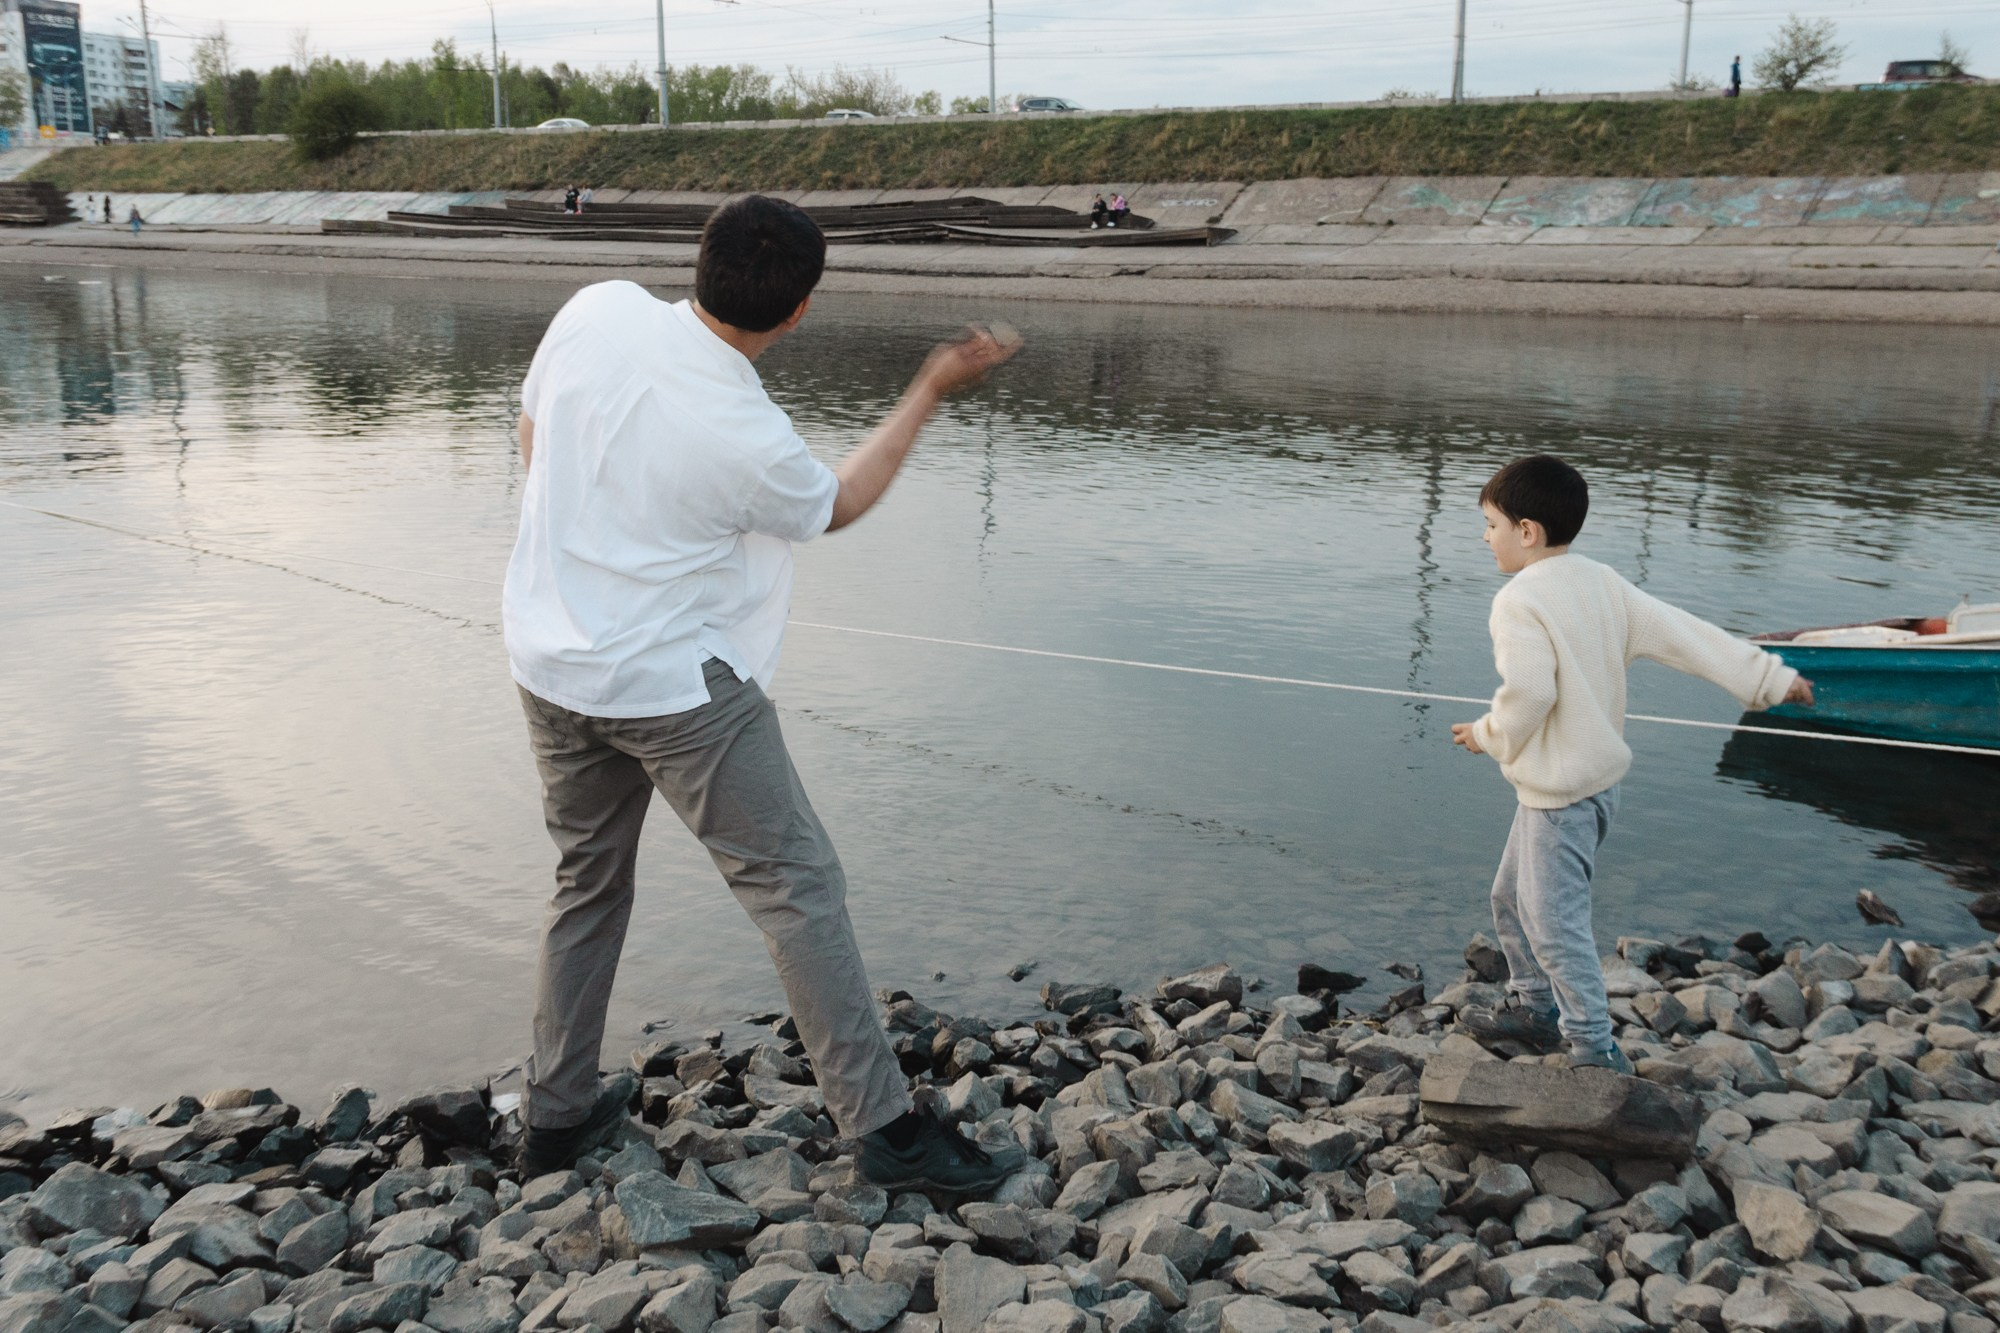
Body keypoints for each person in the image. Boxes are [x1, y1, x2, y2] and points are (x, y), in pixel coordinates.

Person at [504, 194, 1026, 1189]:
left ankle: (555, 1114)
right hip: (673, 689)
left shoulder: (596, 307)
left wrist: (579, 557)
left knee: (585, 880)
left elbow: (532, 433)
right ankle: (884, 1133)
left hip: (547, 659)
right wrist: (929, 384)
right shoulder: (747, 433)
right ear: (797, 313)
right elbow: (836, 503)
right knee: (798, 888)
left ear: (693, 260)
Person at [1449, 456, 1812, 1073]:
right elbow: (1686, 635)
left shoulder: (1519, 601)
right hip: (1587, 789)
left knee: (1552, 925)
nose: (1486, 538)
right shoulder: (1601, 581)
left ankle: (1593, 1049)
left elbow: (1531, 694)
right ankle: (1534, 1007)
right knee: (1509, 897)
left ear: (1527, 531)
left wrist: (1487, 734)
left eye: (1491, 525)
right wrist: (1768, 676)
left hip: (1558, 798)